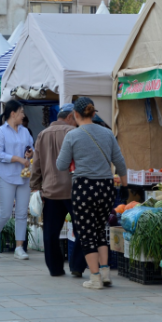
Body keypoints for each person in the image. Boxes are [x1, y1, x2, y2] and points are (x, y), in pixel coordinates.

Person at [56, 97, 127, 290]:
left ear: (75, 115)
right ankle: (105, 273)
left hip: (84, 188)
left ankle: (94, 277)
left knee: (86, 233)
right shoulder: (107, 133)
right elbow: (120, 162)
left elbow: (61, 165)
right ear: (94, 113)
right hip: (106, 187)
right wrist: (126, 185)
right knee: (99, 231)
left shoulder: (72, 135)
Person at [30, 103, 87, 277]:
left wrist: (35, 187)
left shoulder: (42, 134)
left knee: (51, 232)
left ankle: (55, 269)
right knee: (82, 229)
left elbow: (36, 164)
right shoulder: (74, 133)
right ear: (70, 117)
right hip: (74, 190)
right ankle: (77, 266)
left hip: (50, 191)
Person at [0, 100, 34, 259]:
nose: (23, 115)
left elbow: (31, 148)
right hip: (6, 176)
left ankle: (19, 247)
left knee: (21, 213)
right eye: (21, 112)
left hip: (24, 177)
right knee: (6, 213)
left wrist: (29, 153)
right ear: (13, 114)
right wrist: (18, 159)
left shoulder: (25, 131)